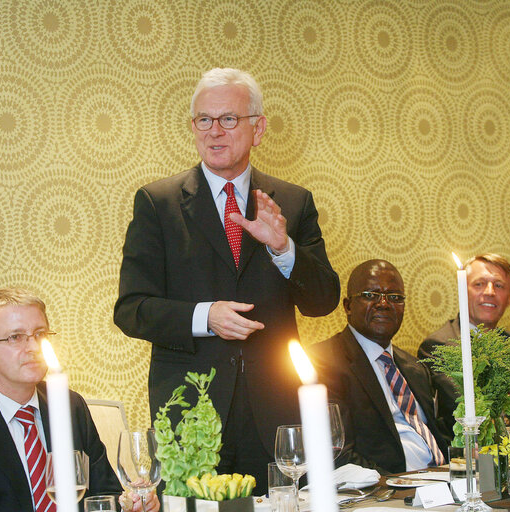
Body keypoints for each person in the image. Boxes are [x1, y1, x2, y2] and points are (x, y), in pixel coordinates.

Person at [114, 68, 340, 492]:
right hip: (192, 416)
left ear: (258, 129)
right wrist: (205, 316)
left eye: (229, 119)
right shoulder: (157, 203)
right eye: (204, 120)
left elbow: (323, 300)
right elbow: (131, 310)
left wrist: (283, 250)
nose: (214, 131)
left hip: (274, 412)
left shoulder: (292, 201)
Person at [0, 288, 158, 512]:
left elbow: (104, 493)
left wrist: (130, 504)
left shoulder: (71, 406)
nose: (33, 346)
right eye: (15, 337)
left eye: (40, 334)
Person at [307, 260, 449, 473]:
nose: (383, 304)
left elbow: (438, 433)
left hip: (443, 483)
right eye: (370, 295)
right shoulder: (323, 362)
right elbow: (338, 453)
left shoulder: (415, 368)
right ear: (347, 306)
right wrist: (397, 483)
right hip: (389, 491)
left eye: (394, 297)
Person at [418, 253, 510, 432]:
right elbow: (467, 406)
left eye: (499, 285)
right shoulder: (439, 346)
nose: (489, 292)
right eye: (479, 284)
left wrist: (508, 405)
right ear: (462, 290)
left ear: (509, 298)